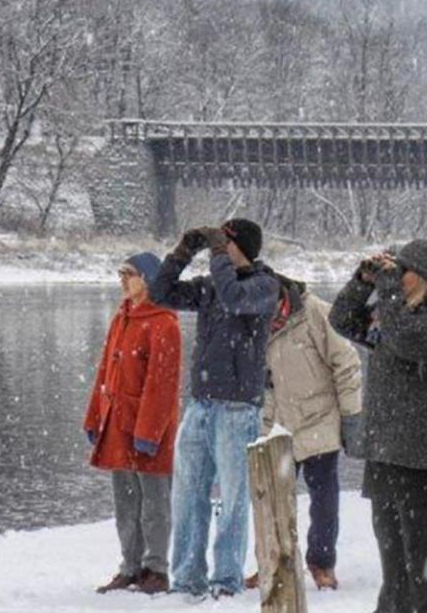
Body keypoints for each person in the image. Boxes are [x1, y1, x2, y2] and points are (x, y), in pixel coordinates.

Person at [150, 218, 280, 601]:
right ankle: (187, 578)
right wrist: (182, 252)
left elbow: (232, 298)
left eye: (225, 244)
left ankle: (226, 580)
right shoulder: (210, 285)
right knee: (188, 495)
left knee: (233, 501)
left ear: (240, 246)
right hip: (201, 403)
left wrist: (219, 252)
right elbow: (161, 293)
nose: (216, 251)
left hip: (238, 408)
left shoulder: (264, 286)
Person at [329, 239, 427, 613]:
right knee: (389, 538)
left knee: (417, 536)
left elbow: (403, 339)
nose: (396, 278)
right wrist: (363, 280)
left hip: (420, 444)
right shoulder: (392, 313)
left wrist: (386, 290)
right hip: (386, 441)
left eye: (402, 272)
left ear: (421, 278)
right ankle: (394, 606)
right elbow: (341, 320)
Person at [253, 271, 362, 591]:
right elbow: (268, 383)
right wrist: (265, 426)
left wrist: (351, 416)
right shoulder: (258, 324)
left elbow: (347, 363)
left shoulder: (315, 312)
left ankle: (321, 562)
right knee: (272, 497)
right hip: (282, 424)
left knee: (323, 499)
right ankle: (273, 561)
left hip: (320, 419)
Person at [83, 252, 182, 595]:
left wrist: (149, 432)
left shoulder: (164, 323)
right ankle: (131, 565)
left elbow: (162, 386)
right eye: (120, 273)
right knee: (125, 502)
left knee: (154, 502)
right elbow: (104, 374)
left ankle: (156, 569)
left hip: (147, 430)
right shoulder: (121, 318)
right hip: (117, 425)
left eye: (130, 274)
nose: (123, 280)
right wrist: (95, 416)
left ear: (148, 279)